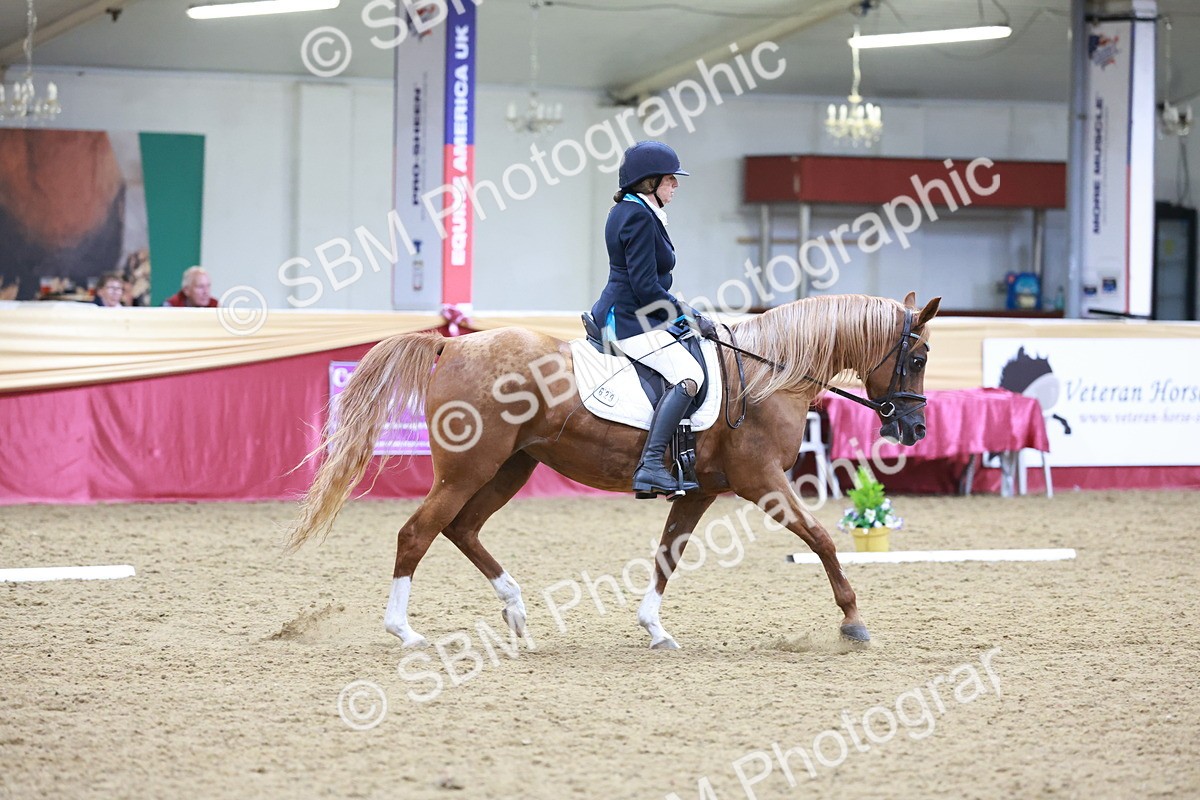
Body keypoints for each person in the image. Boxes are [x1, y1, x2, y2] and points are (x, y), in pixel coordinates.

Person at [590, 141, 716, 497]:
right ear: (649, 182)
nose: (676, 185)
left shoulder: (636, 211)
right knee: (690, 375)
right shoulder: (637, 216)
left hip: (638, 314)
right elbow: (646, 286)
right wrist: (688, 316)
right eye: (670, 180)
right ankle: (650, 466)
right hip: (627, 321)